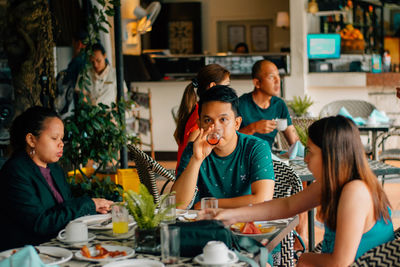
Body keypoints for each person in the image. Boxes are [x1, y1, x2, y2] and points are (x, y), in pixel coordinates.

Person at [200, 115, 394, 266]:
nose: (306, 159)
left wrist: (304, 259)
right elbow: (287, 205)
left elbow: (340, 263)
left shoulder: (355, 191)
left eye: (310, 151)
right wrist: (230, 215)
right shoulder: (335, 183)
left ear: (331, 155)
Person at [0, 106, 113, 251]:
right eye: (54, 138)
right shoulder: (15, 172)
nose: (61, 144)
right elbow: (40, 223)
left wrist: (96, 208)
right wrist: (88, 204)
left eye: (61, 139)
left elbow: (65, 209)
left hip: (60, 247)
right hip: (30, 255)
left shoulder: (55, 169)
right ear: (31, 140)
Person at [172, 85, 275, 209]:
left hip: (244, 222)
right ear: (199, 125)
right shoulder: (194, 149)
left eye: (223, 119)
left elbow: (262, 200)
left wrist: (208, 204)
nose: (215, 127)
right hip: (205, 225)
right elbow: (177, 205)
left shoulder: (256, 147)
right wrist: (196, 160)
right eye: (208, 121)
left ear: (237, 123)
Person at [174, 64, 230, 170]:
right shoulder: (202, 117)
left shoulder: (198, 109)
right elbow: (190, 152)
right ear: (213, 86)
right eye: (226, 86)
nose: (228, 91)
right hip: (192, 179)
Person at [238, 60, 298, 149]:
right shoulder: (240, 104)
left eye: (278, 75)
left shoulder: (279, 104)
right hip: (243, 156)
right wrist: (253, 128)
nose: (278, 81)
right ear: (257, 83)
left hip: (269, 156)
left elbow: (294, 142)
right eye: (271, 77)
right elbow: (228, 140)